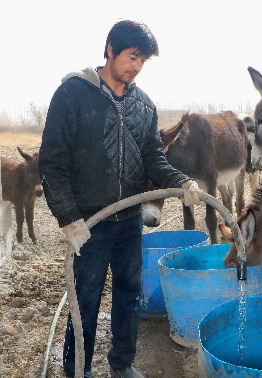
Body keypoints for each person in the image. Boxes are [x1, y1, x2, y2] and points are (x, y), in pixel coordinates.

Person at [39, 20, 200, 378]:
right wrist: (67, 217)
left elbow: (154, 159)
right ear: (110, 49)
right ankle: (77, 369)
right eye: (132, 57)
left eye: (143, 61)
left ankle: (122, 363)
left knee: (129, 292)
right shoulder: (73, 95)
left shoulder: (143, 105)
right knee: (86, 301)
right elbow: (51, 162)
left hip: (128, 219)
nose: (137, 67)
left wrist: (182, 181)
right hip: (88, 223)